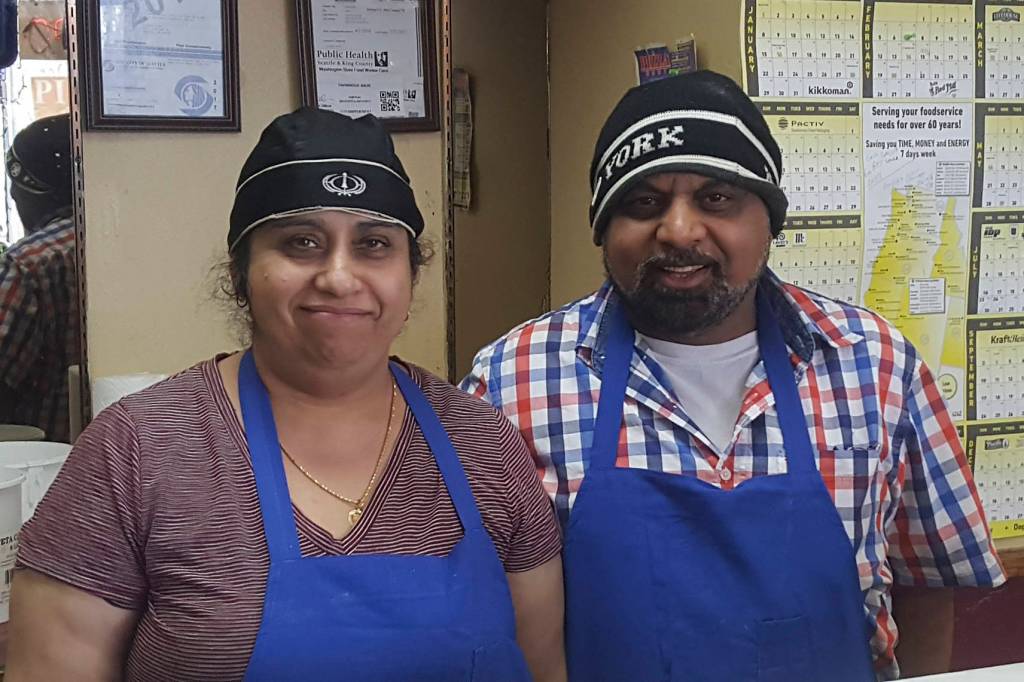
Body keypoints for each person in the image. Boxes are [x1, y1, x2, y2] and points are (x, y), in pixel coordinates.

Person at [461, 71, 1004, 681]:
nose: (680, 230)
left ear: (768, 221)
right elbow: (481, 613)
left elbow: (927, 580)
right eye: (644, 202)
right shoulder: (511, 382)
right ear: (603, 230)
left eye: (717, 197)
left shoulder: (875, 364)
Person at [7, 108, 565, 681]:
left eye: (374, 244)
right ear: (242, 271)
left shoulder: (483, 441)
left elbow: (545, 666)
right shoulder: (136, 450)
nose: (340, 277)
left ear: (409, 275)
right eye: (302, 243)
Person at [0, 113, 78, 443]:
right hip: (115, 453)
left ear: (27, 191)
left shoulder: (25, 265)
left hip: (38, 458)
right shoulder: (122, 241)